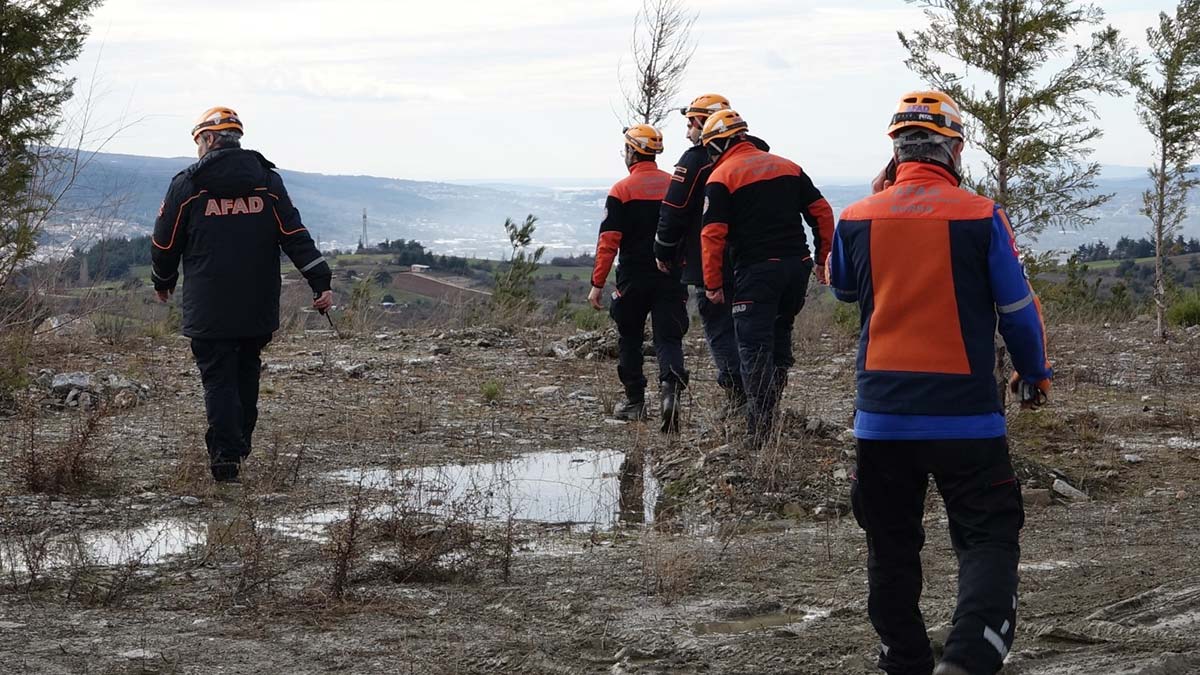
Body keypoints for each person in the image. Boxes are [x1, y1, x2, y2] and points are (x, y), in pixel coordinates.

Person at [828, 91, 1053, 675]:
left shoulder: (854, 218)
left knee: (890, 545)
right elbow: (1019, 310)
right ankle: (969, 660)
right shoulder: (981, 215)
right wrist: (1035, 373)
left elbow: (844, 289)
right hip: (967, 417)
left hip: (881, 414)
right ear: (953, 148)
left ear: (896, 149)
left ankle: (903, 660)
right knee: (988, 538)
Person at [150, 106, 333, 483]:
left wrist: (162, 280)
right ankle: (239, 447)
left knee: (217, 379)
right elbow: (294, 235)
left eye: (199, 141)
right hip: (257, 302)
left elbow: (165, 241)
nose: (199, 149)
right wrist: (320, 281)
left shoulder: (187, 185)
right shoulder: (267, 182)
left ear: (209, 139)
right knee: (247, 372)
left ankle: (225, 459)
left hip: (208, 306)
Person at [698, 110, 834, 445]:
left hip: (756, 271)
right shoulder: (788, 166)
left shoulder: (721, 177)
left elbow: (712, 235)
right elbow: (822, 212)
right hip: (796, 267)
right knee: (779, 333)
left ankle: (759, 429)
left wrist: (712, 283)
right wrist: (822, 259)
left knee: (753, 345)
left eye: (711, 149)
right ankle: (770, 409)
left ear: (720, 144)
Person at [653, 94, 770, 420]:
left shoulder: (694, 160)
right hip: (755, 258)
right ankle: (762, 398)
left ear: (705, 122)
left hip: (709, 260)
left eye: (692, 121)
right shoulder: (759, 151)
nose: (688, 128)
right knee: (755, 330)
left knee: (721, 329)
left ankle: (738, 399)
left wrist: (662, 249)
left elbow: (673, 209)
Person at [588, 124, 689, 432]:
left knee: (630, 338)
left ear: (632, 151)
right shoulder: (675, 186)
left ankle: (635, 402)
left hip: (632, 277)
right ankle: (670, 395)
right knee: (668, 338)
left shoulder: (621, 190)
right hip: (671, 275)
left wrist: (597, 284)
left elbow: (609, 241)